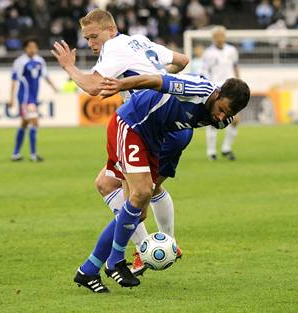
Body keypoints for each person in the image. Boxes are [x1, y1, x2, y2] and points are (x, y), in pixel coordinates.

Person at [51, 8, 190, 278]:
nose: (90, 43)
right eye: (87, 38)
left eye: (94, 36)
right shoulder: (138, 40)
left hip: (149, 126)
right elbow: (182, 61)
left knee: (128, 197)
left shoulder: (114, 47)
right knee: (140, 188)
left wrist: (69, 66)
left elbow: (93, 87)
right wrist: (156, 81)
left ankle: (138, 251)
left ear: (111, 31)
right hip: (172, 124)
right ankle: (166, 243)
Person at [86, 72, 249, 292]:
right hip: (133, 124)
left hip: (157, 139)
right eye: (221, 109)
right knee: (139, 195)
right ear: (217, 93)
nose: (221, 117)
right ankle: (115, 261)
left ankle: (90, 269)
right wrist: (120, 85)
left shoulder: (222, 119)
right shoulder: (197, 89)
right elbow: (156, 80)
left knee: (137, 206)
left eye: (228, 114)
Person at [9, 38, 58, 162]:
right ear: (25, 48)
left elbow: (45, 75)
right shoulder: (20, 62)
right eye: (30, 47)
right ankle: (33, 154)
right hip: (25, 97)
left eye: (35, 47)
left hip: (33, 97)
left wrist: (54, 87)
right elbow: (14, 80)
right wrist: (12, 98)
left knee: (24, 123)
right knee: (34, 122)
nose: (33, 49)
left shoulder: (39, 61)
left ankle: (16, 154)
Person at [201, 26, 241, 161]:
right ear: (213, 38)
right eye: (217, 36)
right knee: (213, 119)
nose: (220, 38)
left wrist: (239, 83)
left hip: (231, 89)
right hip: (216, 90)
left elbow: (235, 67)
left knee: (235, 120)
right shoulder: (208, 53)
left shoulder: (232, 50)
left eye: (222, 35)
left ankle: (226, 148)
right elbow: (204, 71)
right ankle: (211, 152)